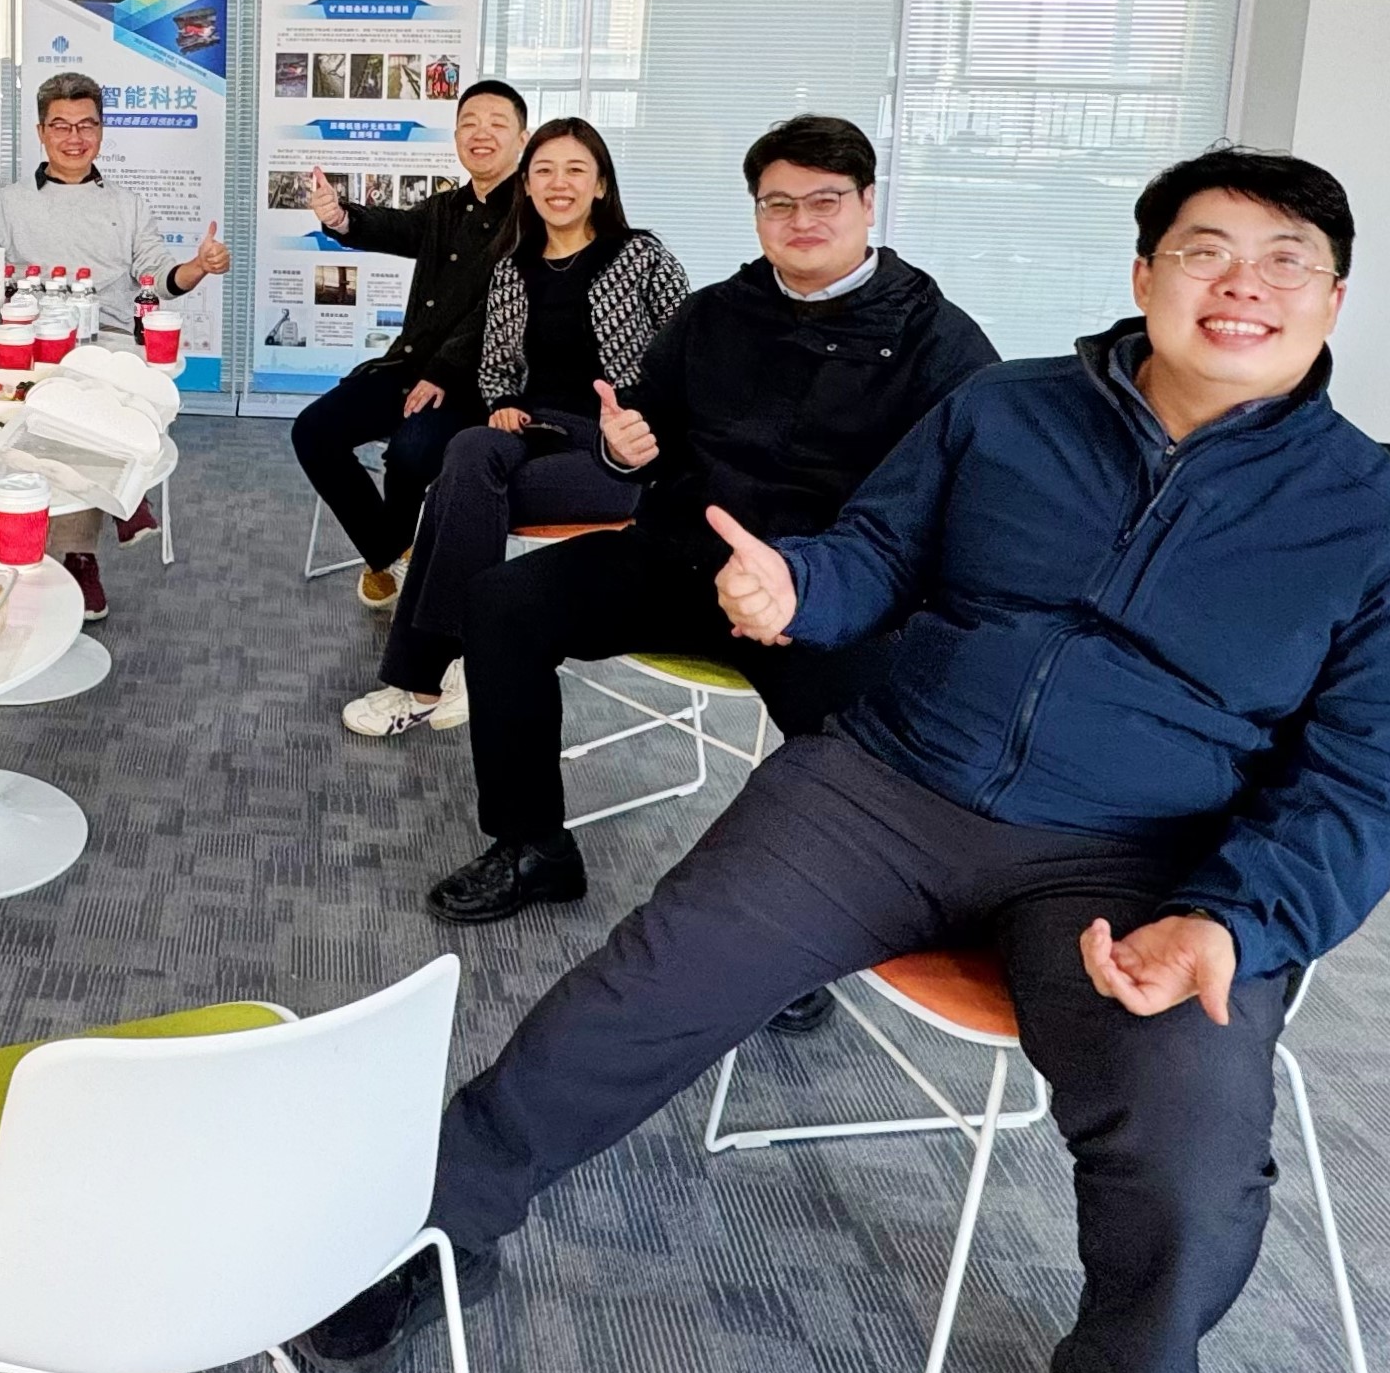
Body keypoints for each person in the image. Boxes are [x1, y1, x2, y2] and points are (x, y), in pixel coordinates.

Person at [303, 148, 1390, 1373]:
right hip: (890, 781)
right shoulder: (1007, 413)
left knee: (1189, 1121)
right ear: (1141, 274)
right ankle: (441, 1212)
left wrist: (1232, 919)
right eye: (1203, 249)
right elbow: (876, 549)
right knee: (649, 979)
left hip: (1146, 860)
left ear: (1334, 297)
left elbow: (1362, 786)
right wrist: (801, 588)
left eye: (1285, 259)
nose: (1241, 284)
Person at [423, 114, 1000, 930]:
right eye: (778, 203)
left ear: (869, 203)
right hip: (683, 559)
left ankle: (811, 924)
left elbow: (966, 503)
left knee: (863, 739)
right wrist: (624, 449)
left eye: (825, 200)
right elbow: (648, 425)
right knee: (500, 603)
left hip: (822, 595)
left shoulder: (936, 340)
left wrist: (820, 586)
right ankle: (532, 846)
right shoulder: (717, 313)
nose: (800, 221)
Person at [340, 118, 692, 738]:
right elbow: (499, 366)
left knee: (453, 497)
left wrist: (648, 421)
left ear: (601, 185)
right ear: (526, 185)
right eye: (544, 171)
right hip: (534, 431)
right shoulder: (513, 268)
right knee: (471, 447)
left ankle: (422, 680)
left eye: (575, 170)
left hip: (619, 451)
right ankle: (463, 662)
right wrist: (501, 400)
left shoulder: (641, 256)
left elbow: (690, 353)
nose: (559, 183)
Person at [0, 70, 227, 620]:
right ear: (41, 132)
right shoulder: (8, 204)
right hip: (25, 339)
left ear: (102, 131)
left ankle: (79, 554)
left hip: (104, 340)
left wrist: (199, 266)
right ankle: (122, 499)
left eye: (87, 125)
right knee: (60, 400)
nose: (74, 137)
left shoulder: (128, 206)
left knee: (85, 387)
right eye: (61, 126)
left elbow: (159, 278)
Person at [286, 80, 531, 609]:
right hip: (409, 365)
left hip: (478, 382)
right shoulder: (447, 207)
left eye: (497, 124)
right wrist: (341, 217)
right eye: (469, 124)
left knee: (412, 451)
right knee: (313, 431)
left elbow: (501, 313)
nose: (481, 134)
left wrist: (445, 370)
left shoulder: (532, 218)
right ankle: (393, 552)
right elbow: (395, 226)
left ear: (522, 139)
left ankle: (404, 561)